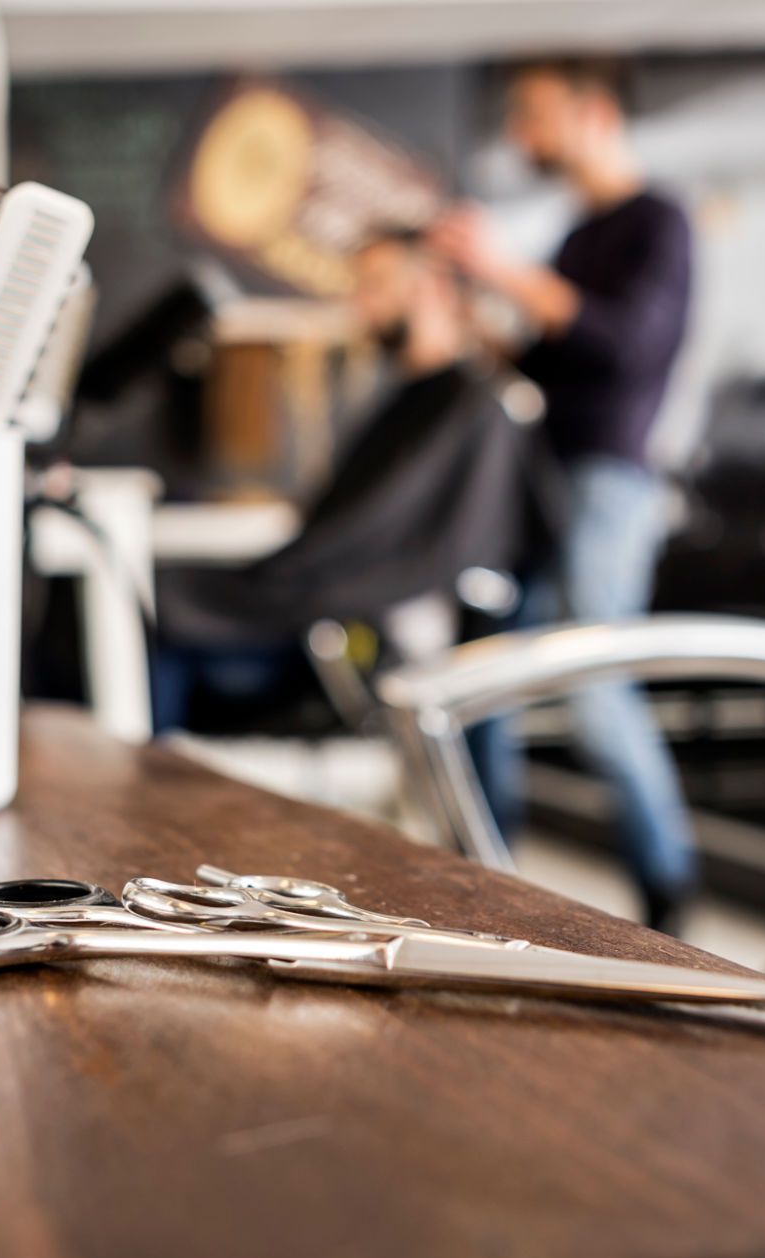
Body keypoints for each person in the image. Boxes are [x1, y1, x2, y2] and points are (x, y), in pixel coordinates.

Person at [429, 57, 698, 927]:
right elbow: (551, 354)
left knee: (593, 688)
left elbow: (624, 346)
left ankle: (670, 887)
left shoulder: (658, 222)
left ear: (595, 113)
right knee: (487, 678)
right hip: (543, 485)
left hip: (609, 488)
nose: (522, 138)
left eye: (536, 116)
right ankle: (488, 872)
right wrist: (479, 316)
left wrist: (506, 273)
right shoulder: (581, 236)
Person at [151, 230, 559, 728]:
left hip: (351, 635)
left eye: (377, 285)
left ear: (430, 287)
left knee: (158, 618)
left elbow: (421, 550)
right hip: (324, 603)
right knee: (150, 603)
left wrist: (293, 577)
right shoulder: (410, 401)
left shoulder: (473, 408)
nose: (361, 305)